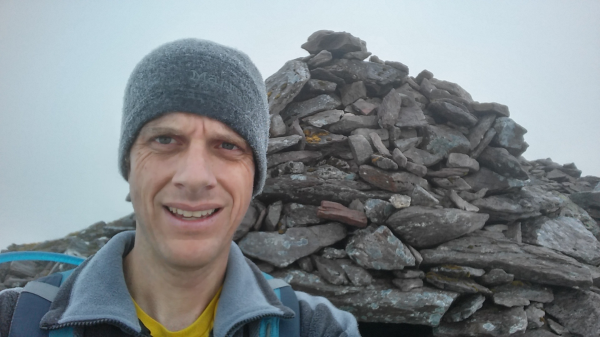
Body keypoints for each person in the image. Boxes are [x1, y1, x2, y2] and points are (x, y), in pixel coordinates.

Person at [0, 39, 359, 337]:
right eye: (166, 139)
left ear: (254, 178)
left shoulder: (318, 328)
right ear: (129, 164)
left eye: (228, 145)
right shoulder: (15, 320)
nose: (195, 176)